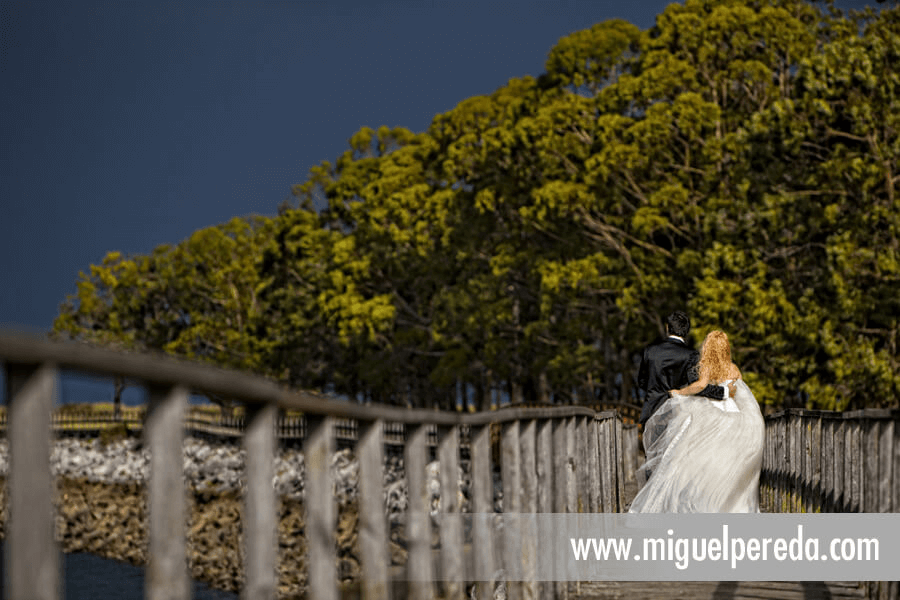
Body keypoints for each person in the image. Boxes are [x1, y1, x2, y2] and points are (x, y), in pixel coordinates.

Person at [628, 330, 765, 513]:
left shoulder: (706, 367)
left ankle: (704, 501)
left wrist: (680, 392)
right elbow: (744, 397)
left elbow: (700, 386)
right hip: (733, 417)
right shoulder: (733, 369)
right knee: (728, 462)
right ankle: (730, 504)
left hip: (713, 417)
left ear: (708, 347)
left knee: (705, 461)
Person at [637, 311, 734, 429]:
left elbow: (642, 382)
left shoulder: (650, 351)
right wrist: (724, 391)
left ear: (667, 327)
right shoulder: (691, 355)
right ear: (687, 331)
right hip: (676, 417)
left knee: (651, 448)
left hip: (651, 414)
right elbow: (697, 386)